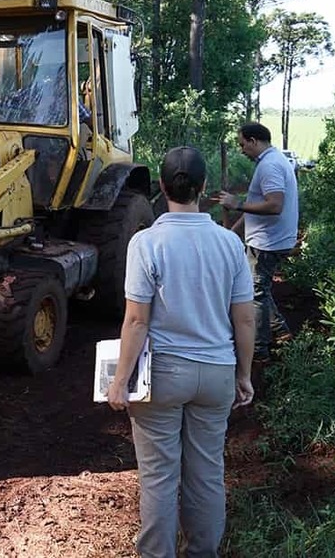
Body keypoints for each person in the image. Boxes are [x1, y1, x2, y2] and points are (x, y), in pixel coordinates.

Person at [108, 146, 255, 558]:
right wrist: (242, 375)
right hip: (216, 374)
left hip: (163, 378)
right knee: (207, 474)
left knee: (158, 477)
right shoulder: (229, 245)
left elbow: (136, 321)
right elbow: (244, 320)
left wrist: (120, 382)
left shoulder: (146, 243)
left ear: (161, 186)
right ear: (204, 188)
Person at [217, 122, 300, 361]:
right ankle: (280, 330)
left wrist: (237, 203)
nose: (242, 150)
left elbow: (274, 205)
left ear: (254, 141)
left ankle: (259, 350)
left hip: (267, 242)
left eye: (243, 144)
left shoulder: (270, 166)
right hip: (270, 238)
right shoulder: (271, 161)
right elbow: (257, 202)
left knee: (255, 293)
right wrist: (234, 230)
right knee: (260, 290)